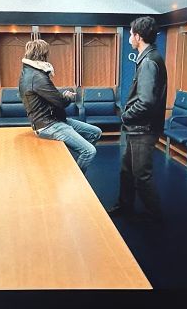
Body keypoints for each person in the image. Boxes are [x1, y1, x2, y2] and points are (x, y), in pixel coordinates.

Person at [107, 16, 167, 218]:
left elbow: (146, 101)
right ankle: (125, 206)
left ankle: (157, 216)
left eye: (131, 34)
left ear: (138, 36)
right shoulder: (147, 57)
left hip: (143, 129)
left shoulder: (149, 62)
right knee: (126, 170)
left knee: (141, 176)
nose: (129, 38)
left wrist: (126, 117)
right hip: (138, 128)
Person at [18, 39, 102, 172]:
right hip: (48, 125)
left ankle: (74, 163)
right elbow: (60, 102)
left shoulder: (31, 73)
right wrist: (67, 97)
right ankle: (76, 179)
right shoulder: (37, 77)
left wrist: (61, 96)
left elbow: (51, 97)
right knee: (89, 151)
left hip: (56, 119)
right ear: (42, 55)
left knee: (95, 132)